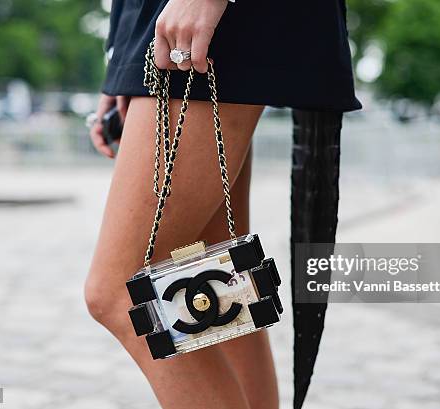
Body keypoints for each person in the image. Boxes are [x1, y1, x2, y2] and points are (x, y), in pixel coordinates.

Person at [85, 0, 361, 408]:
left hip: (211, 20)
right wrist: (122, 59)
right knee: (212, 280)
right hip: (164, 20)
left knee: (122, 290)